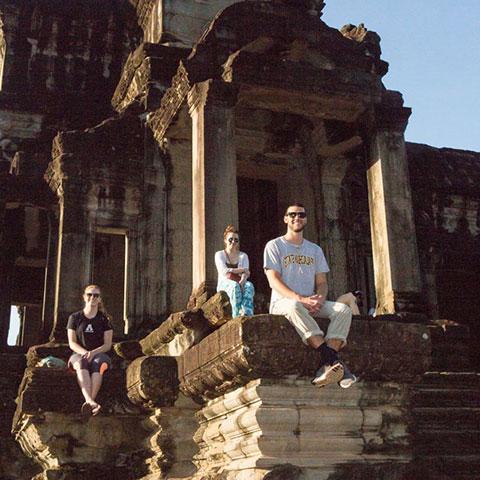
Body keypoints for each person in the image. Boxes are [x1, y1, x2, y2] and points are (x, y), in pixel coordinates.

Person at [263, 203, 356, 388]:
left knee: (343, 310)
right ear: (286, 218)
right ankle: (330, 357)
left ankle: (325, 367)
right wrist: (301, 299)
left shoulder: (315, 250)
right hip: (284, 303)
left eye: (301, 214)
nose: (297, 217)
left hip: (310, 302)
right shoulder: (274, 246)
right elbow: (274, 281)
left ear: (305, 219)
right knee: (293, 306)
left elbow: (322, 283)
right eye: (292, 214)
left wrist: (319, 298)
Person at [67, 284, 113, 416]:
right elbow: (72, 342)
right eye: (89, 294)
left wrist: (93, 353)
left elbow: (107, 344)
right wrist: (85, 353)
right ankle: (90, 401)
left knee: (98, 364)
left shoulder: (104, 319)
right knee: (82, 362)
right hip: (78, 354)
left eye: (96, 295)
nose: (92, 297)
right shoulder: (74, 318)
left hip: (101, 355)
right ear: (84, 297)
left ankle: (89, 403)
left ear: (99, 299)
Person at [215, 225, 255, 317]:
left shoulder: (243, 256)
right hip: (224, 283)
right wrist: (241, 270)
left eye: (236, 240)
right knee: (234, 287)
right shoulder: (219, 254)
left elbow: (246, 273)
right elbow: (224, 272)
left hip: (240, 281)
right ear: (225, 240)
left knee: (249, 286)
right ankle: (236, 315)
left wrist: (243, 280)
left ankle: (247, 313)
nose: (233, 242)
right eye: (230, 239)